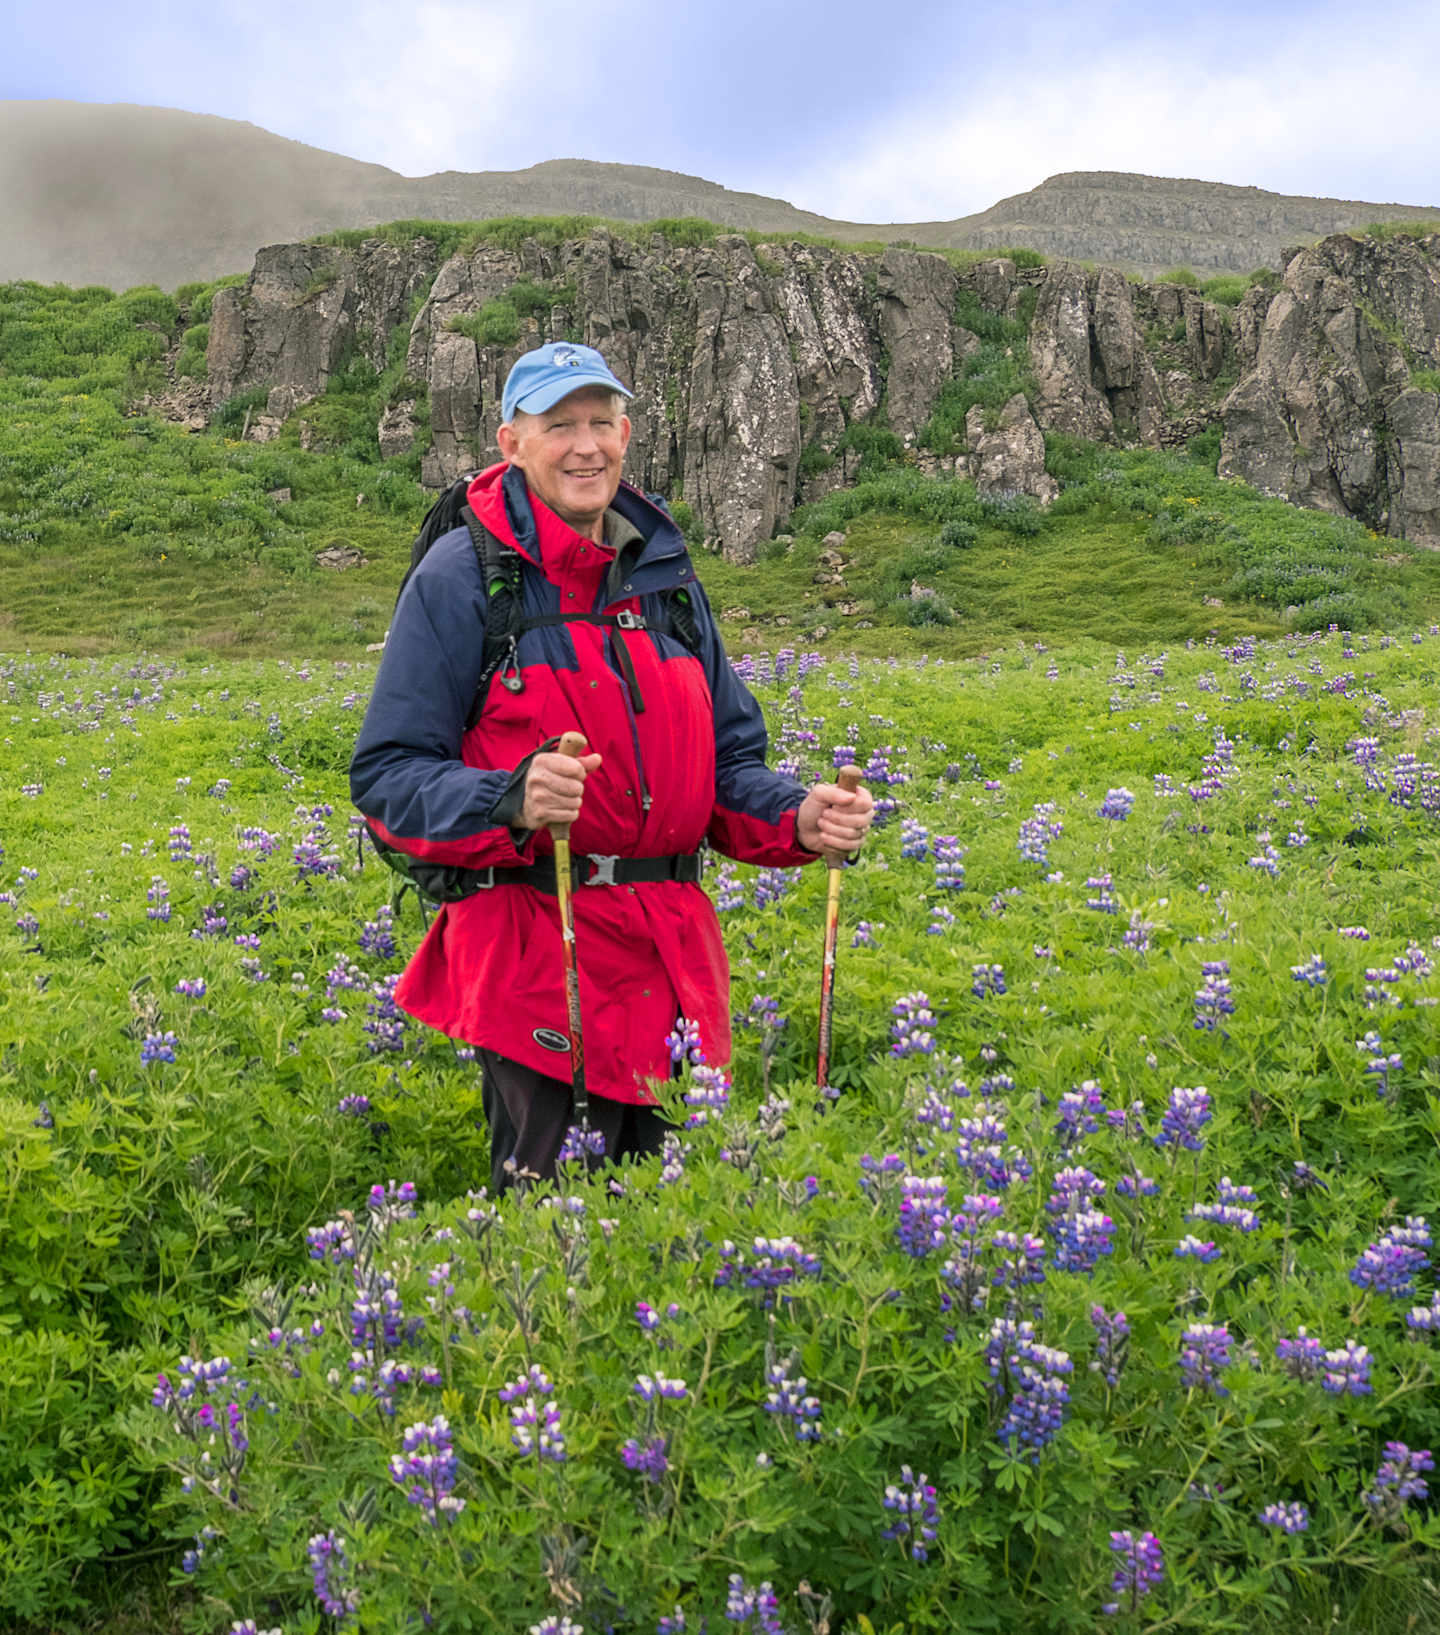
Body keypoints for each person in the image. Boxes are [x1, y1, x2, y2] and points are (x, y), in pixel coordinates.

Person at [350, 341, 873, 1191]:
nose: (586, 445)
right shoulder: (465, 577)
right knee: (558, 1236)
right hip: (536, 962)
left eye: (601, 422)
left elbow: (727, 768)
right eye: (560, 425)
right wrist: (510, 797)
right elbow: (387, 779)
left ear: (627, 432)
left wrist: (798, 818)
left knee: (675, 1238)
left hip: (670, 965)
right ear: (510, 442)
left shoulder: (665, 577)